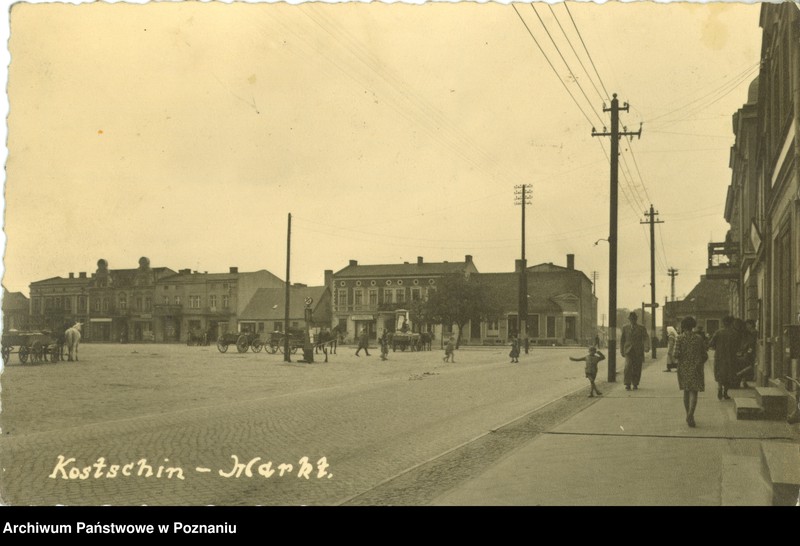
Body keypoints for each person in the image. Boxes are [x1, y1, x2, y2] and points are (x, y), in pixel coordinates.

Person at [673, 315, 707, 428]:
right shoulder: (699, 338)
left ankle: (689, 415)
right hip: (696, 367)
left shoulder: (679, 338)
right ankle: (691, 415)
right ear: (693, 326)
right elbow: (704, 355)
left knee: (686, 392)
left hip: (683, 367)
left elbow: (675, 354)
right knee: (694, 392)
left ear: (683, 326)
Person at [709, 316, 738, 400]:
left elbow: (711, 343)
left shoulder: (718, 332)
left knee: (719, 373)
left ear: (723, 323)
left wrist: (716, 346)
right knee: (729, 374)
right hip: (731, 357)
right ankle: (725, 392)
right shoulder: (734, 333)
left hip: (719, 356)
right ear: (732, 323)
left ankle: (719, 388)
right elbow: (738, 345)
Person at [620, 312, 650, 390]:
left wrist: (647, 346)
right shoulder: (625, 328)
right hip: (628, 350)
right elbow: (622, 340)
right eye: (631, 319)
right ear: (629, 319)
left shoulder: (641, 328)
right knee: (628, 366)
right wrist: (622, 351)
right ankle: (627, 383)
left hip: (638, 350)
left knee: (637, 367)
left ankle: (635, 383)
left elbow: (646, 337)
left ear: (636, 319)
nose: (632, 320)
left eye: (634, 319)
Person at [736, 319, 757, 388]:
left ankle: (741, 378)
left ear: (751, 325)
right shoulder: (749, 333)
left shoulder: (754, 333)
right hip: (748, 352)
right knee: (746, 366)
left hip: (751, 352)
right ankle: (744, 380)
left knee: (749, 366)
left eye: (747, 324)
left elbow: (751, 344)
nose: (746, 326)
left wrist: (748, 352)